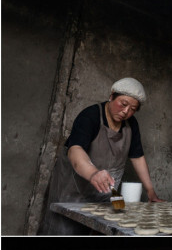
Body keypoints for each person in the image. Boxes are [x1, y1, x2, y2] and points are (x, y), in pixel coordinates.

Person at [41, 78, 159, 236]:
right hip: (73, 193)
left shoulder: (132, 124)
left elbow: (137, 156)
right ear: (111, 96)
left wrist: (150, 191)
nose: (126, 112)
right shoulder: (90, 116)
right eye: (123, 104)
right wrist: (93, 173)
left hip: (103, 196)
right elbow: (75, 150)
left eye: (132, 109)